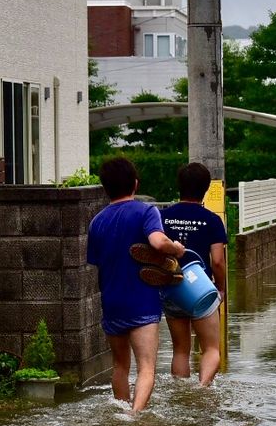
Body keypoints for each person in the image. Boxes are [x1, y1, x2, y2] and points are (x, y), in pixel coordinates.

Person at [87, 157, 185, 412]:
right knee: (146, 368)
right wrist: (176, 248)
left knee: (120, 366)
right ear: (135, 184)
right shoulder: (146, 211)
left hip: (111, 302)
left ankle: (121, 411)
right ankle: (134, 416)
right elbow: (158, 242)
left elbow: (96, 262)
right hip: (141, 301)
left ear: (105, 188)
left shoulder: (96, 222)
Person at [158, 162, 227, 386]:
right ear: (206, 188)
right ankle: (202, 389)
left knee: (180, 350)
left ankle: (181, 392)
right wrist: (221, 288)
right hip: (201, 289)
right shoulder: (212, 220)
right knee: (211, 349)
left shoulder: (162, 216)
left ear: (179, 186)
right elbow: (218, 261)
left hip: (172, 287)